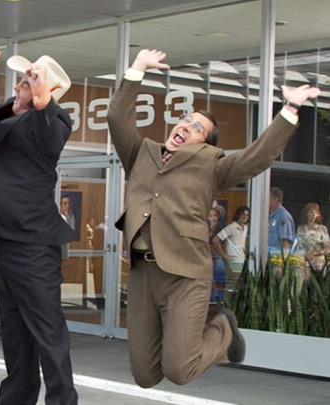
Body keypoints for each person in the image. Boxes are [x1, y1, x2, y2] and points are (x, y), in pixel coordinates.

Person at [106, 48, 320, 388]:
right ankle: (195, 334)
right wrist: (137, 68)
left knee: (179, 370)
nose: (186, 126)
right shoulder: (141, 153)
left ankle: (223, 328)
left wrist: (290, 109)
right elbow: (117, 118)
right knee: (145, 376)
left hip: (186, 275)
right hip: (143, 275)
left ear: (203, 143)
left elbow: (258, 156)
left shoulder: (211, 165)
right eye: (186, 119)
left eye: (197, 128)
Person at [0, 45, 79, 405]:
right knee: (15, 333)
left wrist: (42, 99)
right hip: (7, 241)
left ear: (43, 92)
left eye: (26, 83)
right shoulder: (11, 114)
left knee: (48, 333)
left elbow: (51, 141)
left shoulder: (54, 120)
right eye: (20, 82)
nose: (18, 87)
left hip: (34, 246)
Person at [213, 205, 250, 293]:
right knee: (230, 288)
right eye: (243, 214)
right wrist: (224, 256)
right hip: (232, 262)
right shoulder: (231, 227)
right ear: (238, 214)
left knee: (239, 289)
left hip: (242, 262)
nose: (245, 217)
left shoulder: (246, 228)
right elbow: (215, 240)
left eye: (247, 215)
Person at [296, 202, 330, 274]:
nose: (313, 214)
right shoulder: (300, 229)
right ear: (306, 214)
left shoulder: (322, 229)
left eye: (316, 213)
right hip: (303, 263)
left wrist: (315, 253)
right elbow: (297, 246)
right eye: (311, 212)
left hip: (318, 265)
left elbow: (328, 249)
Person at [268, 186, 295, 251]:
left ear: (276, 199)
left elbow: (286, 242)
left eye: (268, 198)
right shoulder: (271, 216)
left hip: (276, 256)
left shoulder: (283, 216)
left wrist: (283, 256)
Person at [208, 207, 225, 303]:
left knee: (209, 274)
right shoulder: (204, 228)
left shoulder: (221, 230)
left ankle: (215, 297)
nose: (213, 218)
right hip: (205, 256)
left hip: (215, 257)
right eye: (210, 216)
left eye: (215, 216)